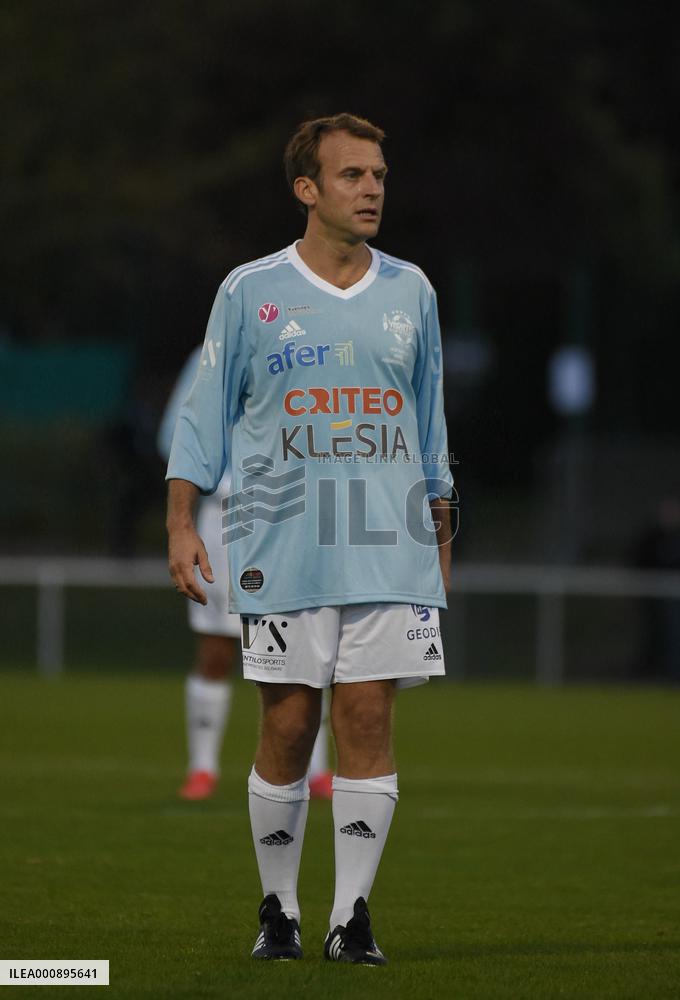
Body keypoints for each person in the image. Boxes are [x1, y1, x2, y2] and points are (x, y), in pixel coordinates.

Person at [165, 113, 453, 965]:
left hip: (390, 542)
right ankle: (279, 912)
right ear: (308, 189)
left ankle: (351, 917)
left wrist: (444, 538)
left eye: (379, 176)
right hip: (284, 541)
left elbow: (432, 423)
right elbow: (202, 419)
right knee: (289, 728)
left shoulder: (414, 290)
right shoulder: (250, 290)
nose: (373, 190)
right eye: (354, 175)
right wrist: (181, 522)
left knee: (367, 717)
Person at [158, 347, 333, 801]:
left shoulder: (314, 343)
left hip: (296, 514)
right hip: (228, 514)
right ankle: (202, 768)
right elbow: (175, 436)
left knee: (309, 648)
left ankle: (315, 769)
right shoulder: (209, 356)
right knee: (217, 648)